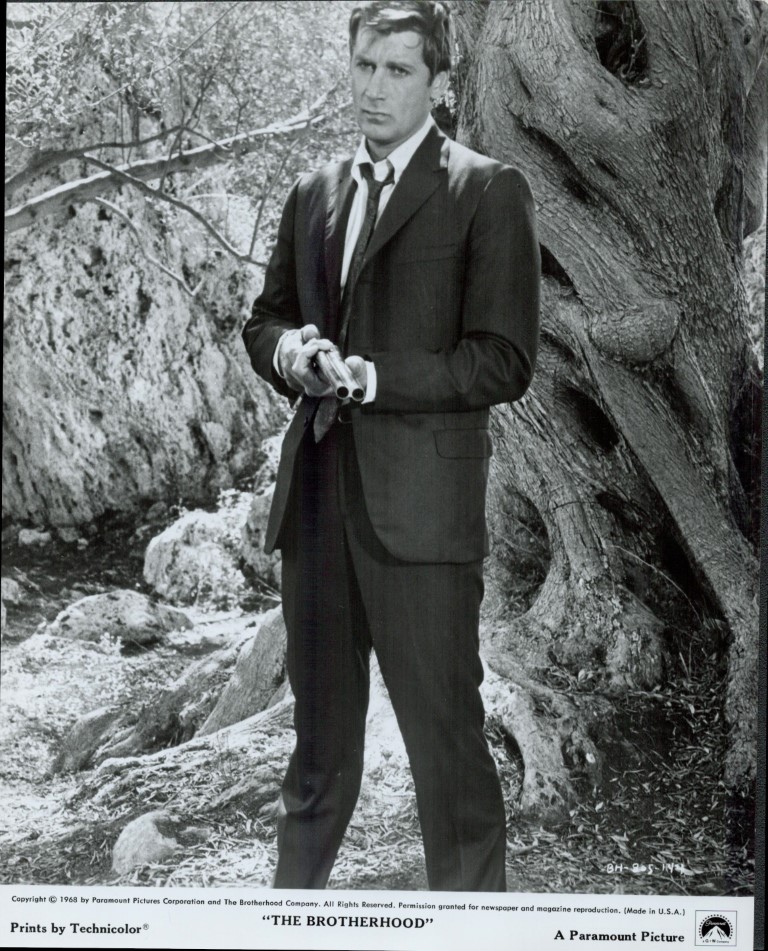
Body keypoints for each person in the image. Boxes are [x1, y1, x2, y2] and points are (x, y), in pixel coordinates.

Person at [241, 0, 540, 892]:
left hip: (425, 525)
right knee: (316, 761)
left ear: (440, 83)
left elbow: (503, 358)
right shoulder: (314, 192)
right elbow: (266, 320)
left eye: (399, 70)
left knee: (449, 765)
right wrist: (292, 355)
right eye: (364, 66)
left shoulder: (488, 190)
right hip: (317, 513)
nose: (375, 88)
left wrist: (375, 377)